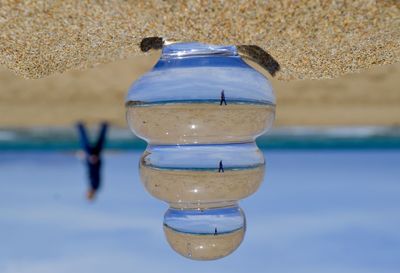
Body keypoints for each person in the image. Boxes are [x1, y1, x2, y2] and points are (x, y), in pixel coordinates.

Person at [76, 122, 108, 200]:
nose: (86, 192)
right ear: (91, 194)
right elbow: (94, 172)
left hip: (93, 161)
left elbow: (90, 171)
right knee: (86, 143)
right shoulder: (95, 185)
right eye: (87, 194)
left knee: (99, 143)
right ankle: (80, 126)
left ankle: (104, 126)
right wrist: (93, 161)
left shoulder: (93, 186)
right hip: (93, 161)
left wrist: (83, 161)